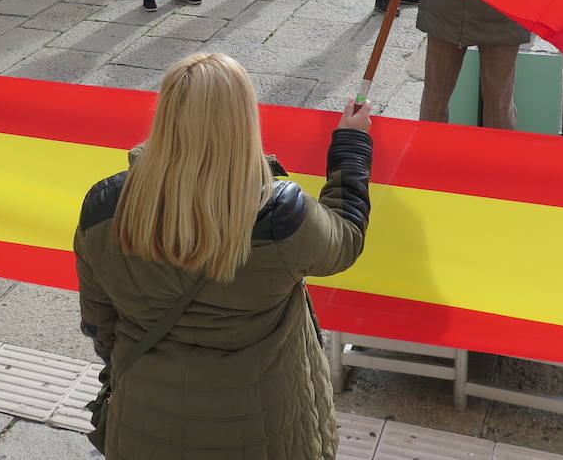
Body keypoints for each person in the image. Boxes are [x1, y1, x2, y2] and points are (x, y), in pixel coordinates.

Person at [74, 52, 371, 459]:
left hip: (147, 424)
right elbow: (346, 240)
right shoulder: (279, 214)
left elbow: (99, 323)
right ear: (244, 120)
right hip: (268, 428)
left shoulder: (104, 207)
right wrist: (351, 145)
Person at [417, 0, 530, 128]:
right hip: (498, 2)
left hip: (451, 0)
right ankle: (498, 151)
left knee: (435, 98)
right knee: (498, 104)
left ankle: (427, 150)